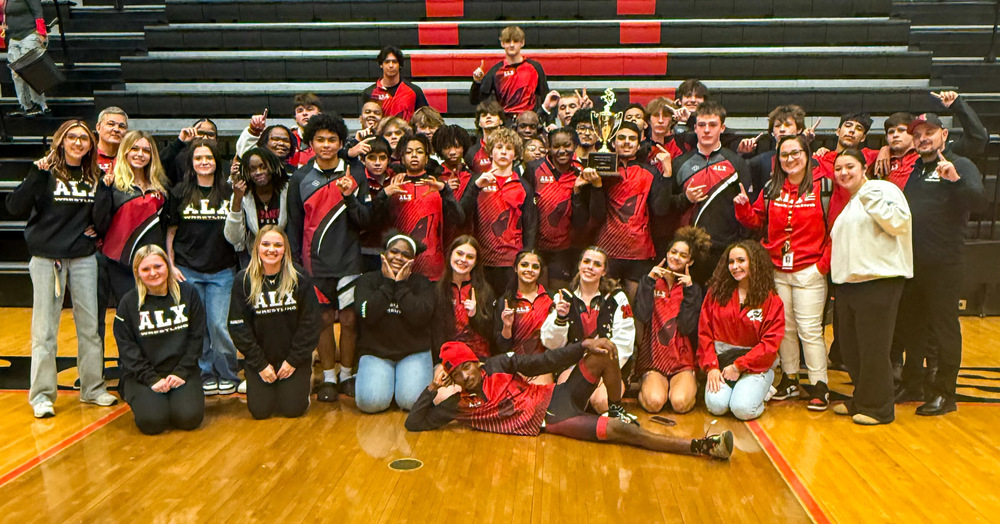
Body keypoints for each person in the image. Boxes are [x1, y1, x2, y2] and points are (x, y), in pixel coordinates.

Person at [404, 339, 734, 460]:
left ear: (476, 362)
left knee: (603, 353)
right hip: (553, 419)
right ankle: (700, 446)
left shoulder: (498, 365)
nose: (465, 376)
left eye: (466, 367)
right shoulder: (458, 406)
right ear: (452, 378)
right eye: (456, 374)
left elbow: (543, 362)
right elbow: (414, 423)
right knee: (622, 432)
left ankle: (618, 408)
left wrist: (583, 346)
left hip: (556, 394)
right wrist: (432, 388)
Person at [6, 120, 117, 418]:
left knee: (90, 329)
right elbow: (14, 206)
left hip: (83, 258)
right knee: (44, 331)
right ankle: (42, 396)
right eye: (72, 137)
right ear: (61, 141)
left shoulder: (96, 177)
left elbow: (102, 219)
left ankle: (92, 388)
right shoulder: (45, 172)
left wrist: (104, 196)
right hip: (47, 259)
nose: (78, 142)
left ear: (91, 145)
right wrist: (35, 175)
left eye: (84, 138)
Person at [734, 135, 833, 409]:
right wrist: (742, 206)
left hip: (810, 269)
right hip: (777, 269)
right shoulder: (771, 188)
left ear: (807, 154)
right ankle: (790, 379)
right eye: (785, 154)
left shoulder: (824, 186)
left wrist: (821, 267)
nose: (790, 159)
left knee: (809, 330)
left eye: (796, 153)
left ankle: (819, 384)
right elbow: (756, 220)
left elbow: (835, 230)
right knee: (785, 328)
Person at [895, 114, 985, 416]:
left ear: (944, 135)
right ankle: (913, 383)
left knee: (943, 329)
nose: (922, 138)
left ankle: (945, 394)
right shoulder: (916, 169)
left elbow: (980, 203)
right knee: (912, 328)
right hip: (913, 263)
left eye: (929, 132)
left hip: (944, 264)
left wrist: (956, 181)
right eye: (917, 134)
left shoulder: (961, 165)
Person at [286, 112, 375, 400]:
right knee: (323, 321)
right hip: (314, 265)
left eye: (332, 140)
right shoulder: (300, 178)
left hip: (349, 261)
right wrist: (295, 264)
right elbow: (294, 226)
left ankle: (347, 375)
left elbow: (366, 221)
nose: (326, 145)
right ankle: (327, 378)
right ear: (310, 143)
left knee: (349, 320)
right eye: (320, 140)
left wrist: (349, 196)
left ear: (340, 143)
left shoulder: (356, 174)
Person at [829, 149, 912, 425]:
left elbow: (899, 223)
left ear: (864, 168)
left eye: (849, 166)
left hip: (878, 282)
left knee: (873, 348)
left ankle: (879, 408)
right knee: (851, 349)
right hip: (849, 285)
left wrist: (870, 198)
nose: (843, 172)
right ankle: (862, 399)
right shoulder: (850, 202)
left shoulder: (882, 189)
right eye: (838, 168)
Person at [165, 139, 241, 396]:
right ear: (191, 162)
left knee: (219, 324)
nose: (204, 162)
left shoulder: (228, 192)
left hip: (222, 269)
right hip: (188, 268)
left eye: (208, 157)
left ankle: (227, 373)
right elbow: (171, 232)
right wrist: (170, 265)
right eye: (198, 158)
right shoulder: (179, 192)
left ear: (217, 161)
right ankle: (205, 373)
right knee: (197, 326)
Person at [228, 226, 321, 419]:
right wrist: (260, 364)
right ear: (257, 247)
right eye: (266, 244)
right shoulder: (243, 280)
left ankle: (299, 386)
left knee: (293, 409)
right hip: (261, 360)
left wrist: (293, 361)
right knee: (260, 411)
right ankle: (270, 386)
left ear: (285, 249)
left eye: (278, 245)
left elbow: (311, 323)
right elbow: (238, 327)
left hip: (293, 359)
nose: (272, 250)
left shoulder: (299, 278)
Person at [114, 245, 205, 434]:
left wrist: (181, 372)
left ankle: (173, 400)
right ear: (137, 273)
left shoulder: (188, 294)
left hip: (180, 372)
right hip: (143, 375)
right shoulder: (128, 303)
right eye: (146, 269)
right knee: (153, 422)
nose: (153, 273)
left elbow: (196, 338)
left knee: (189, 418)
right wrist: (151, 378)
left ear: (168, 266)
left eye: (158, 266)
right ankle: (143, 398)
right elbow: (127, 348)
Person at [93, 130, 170, 347]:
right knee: (124, 319)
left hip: (151, 265)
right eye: (134, 149)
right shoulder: (112, 185)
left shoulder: (161, 187)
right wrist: (102, 190)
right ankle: (123, 364)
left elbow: (168, 228)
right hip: (118, 264)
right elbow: (99, 222)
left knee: (151, 320)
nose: (140, 154)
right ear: (125, 152)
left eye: (146, 150)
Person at [541, 247, 634, 413]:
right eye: (586, 261)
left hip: (608, 365)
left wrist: (603, 369)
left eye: (597, 264)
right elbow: (551, 343)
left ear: (604, 271)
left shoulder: (617, 298)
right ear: (579, 265)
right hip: (573, 365)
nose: (590, 267)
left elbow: (625, 341)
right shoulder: (564, 297)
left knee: (602, 402)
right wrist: (560, 318)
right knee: (570, 403)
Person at [698, 240, 784, 421]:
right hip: (721, 364)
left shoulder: (772, 300)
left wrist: (739, 366)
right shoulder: (715, 294)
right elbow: (704, 333)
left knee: (742, 409)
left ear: (754, 262)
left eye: (741, 261)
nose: (735, 267)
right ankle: (742, 392)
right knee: (717, 406)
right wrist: (711, 367)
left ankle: (763, 388)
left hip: (754, 366)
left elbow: (770, 344)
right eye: (731, 262)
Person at [587, 121, 672, 301]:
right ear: (613, 142)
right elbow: (596, 214)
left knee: (634, 308)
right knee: (605, 306)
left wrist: (667, 173)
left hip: (639, 251)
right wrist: (596, 186)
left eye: (632, 139)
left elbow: (661, 209)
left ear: (639, 143)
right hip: (608, 247)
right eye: (621, 138)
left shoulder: (649, 171)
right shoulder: (603, 168)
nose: (627, 142)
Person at [670, 101, 752, 284]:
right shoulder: (680, 163)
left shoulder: (736, 163)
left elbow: (749, 208)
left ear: (722, 128)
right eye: (701, 125)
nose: (706, 130)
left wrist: (740, 242)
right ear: (695, 128)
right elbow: (667, 207)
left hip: (725, 248)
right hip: (688, 251)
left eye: (712, 125)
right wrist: (685, 198)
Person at [354, 233, 436, 413]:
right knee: (370, 402)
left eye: (405, 255)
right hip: (376, 353)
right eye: (394, 251)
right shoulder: (367, 280)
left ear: (412, 261)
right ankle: (388, 386)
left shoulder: (423, 284)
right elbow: (367, 314)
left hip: (414, 353)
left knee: (412, 402)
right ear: (384, 253)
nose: (399, 257)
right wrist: (388, 284)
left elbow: (420, 317)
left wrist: (400, 286)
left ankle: (395, 387)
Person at [633, 226, 710, 414]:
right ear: (667, 254)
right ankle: (649, 384)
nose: (676, 257)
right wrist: (649, 282)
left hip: (682, 360)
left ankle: (688, 384)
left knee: (679, 403)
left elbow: (686, 327)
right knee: (654, 402)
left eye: (683, 255)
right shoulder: (650, 281)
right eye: (673, 252)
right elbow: (642, 315)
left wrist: (689, 291)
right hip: (654, 359)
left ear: (690, 261)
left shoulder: (693, 289)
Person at [460, 127, 537, 294]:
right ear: (490, 151)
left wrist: (525, 257)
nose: (503, 152)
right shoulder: (477, 181)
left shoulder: (523, 185)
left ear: (515, 155)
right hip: (481, 260)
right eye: (499, 147)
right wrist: (475, 187)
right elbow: (463, 215)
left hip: (511, 261)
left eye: (509, 148)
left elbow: (530, 225)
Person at [380, 134, 463, 280]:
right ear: (402, 158)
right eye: (409, 152)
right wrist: (384, 195)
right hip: (399, 266)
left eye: (419, 151)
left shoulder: (438, 187)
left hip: (432, 268)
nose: (414, 155)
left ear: (426, 158)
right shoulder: (393, 187)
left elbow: (459, 219)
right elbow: (376, 222)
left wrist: (445, 191)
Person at [522, 127, 590, 289]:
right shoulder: (533, 169)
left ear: (575, 146)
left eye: (566, 145)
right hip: (535, 246)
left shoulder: (581, 172)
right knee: (536, 292)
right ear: (548, 147)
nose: (562, 151)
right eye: (556, 146)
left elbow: (582, 220)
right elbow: (525, 209)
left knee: (559, 296)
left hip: (564, 249)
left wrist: (577, 193)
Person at [494, 251, 554, 383]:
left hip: (544, 364)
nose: (529, 270)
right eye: (524, 265)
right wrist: (507, 327)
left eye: (535, 266)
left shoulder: (552, 298)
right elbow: (502, 347)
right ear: (516, 268)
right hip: (516, 365)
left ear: (540, 271)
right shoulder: (506, 301)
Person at [224, 147, 290, 266]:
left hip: (284, 255)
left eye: (263, 167)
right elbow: (234, 238)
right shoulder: (242, 194)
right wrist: (237, 199)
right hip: (253, 257)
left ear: (272, 167)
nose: (258, 172)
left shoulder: (287, 190)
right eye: (252, 169)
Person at [434, 235, 496, 360]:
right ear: (450, 255)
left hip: (478, 357)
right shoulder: (438, 289)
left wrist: (475, 315)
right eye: (459, 254)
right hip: (448, 356)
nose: (463, 260)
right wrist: (439, 363)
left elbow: (491, 333)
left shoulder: (485, 290)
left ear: (476, 262)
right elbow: (436, 332)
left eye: (470, 257)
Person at [470, 25, 548, 117]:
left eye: (516, 41)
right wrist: (477, 82)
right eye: (508, 41)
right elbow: (475, 100)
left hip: (529, 120)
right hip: (506, 121)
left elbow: (546, 97)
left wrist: (550, 122)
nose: (511, 45)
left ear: (522, 43)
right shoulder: (496, 71)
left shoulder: (535, 67)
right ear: (502, 44)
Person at [4, 0, 49, 117]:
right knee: (16, 73)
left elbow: (38, 12)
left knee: (30, 70)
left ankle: (40, 104)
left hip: (29, 34)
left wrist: (42, 33)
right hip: (13, 37)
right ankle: (26, 105)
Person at [363, 46, 428, 121]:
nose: (391, 65)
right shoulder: (370, 93)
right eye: (387, 62)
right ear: (381, 65)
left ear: (400, 65)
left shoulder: (414, 91)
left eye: (394, 62)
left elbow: (425, 118)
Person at [465, 100, 504, 175]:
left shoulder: (511, 147)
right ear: (479, 123)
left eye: (493, 114)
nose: (488, 117)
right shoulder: (471, 153)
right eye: (484, 115)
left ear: (501, 121)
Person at [94, 107, 129, 172]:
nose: (116, 129)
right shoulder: (88, 155)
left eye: (121, 126)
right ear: (98, 127)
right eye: (111, 124)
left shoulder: (129, 157)